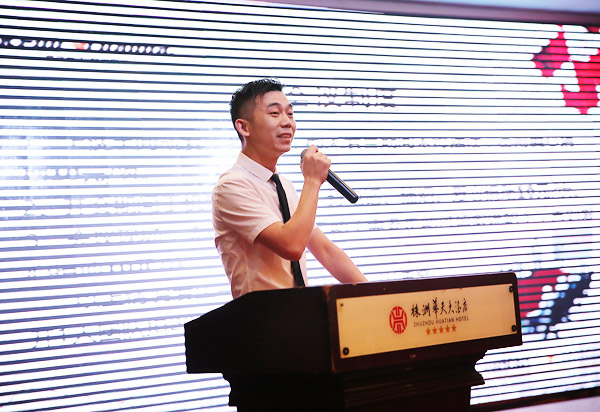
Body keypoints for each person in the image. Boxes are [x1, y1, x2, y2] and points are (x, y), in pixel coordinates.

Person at [212, 78, 367, 298]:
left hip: (299, 311)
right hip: (261, 316)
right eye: (275, 113)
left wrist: (376, 293)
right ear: (244, 127)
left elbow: (325, 250)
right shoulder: (232, 185)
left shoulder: (283, 185)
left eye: (290, 114)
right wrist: (312, 181)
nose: (287, 122)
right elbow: (291, 246)